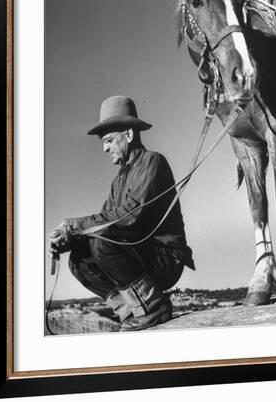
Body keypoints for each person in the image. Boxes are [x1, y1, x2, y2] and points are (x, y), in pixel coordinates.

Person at [48, 95, 195, 331]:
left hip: (166, 259)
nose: (105, 148)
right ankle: (130, 311)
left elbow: (128, 217)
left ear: (128, 135)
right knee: (78, 259)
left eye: (108, 141)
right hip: (142, 257)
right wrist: (67, 240)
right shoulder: (118, 181)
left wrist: (74, 225)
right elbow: (102, 223)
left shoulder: (153, 163)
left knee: (101, 243)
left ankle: (153, 307)